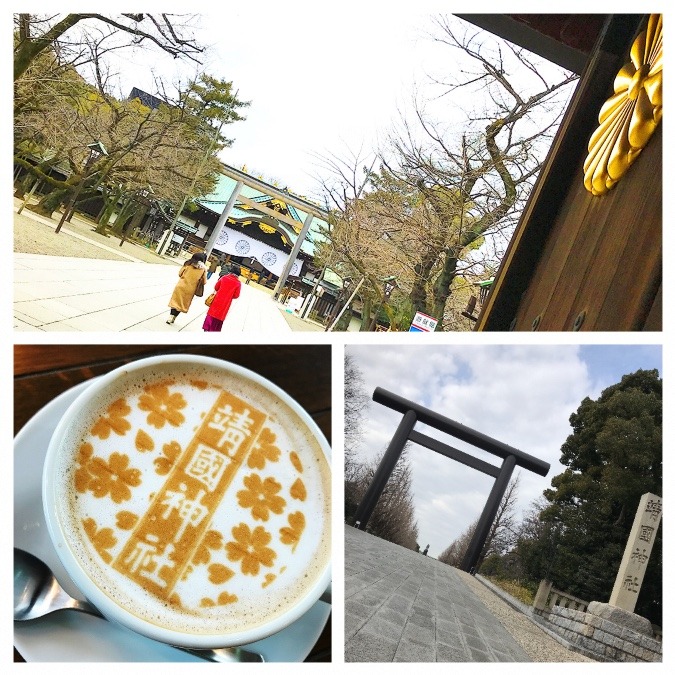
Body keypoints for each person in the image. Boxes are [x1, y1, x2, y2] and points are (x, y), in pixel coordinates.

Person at [166, 252, 207, 325]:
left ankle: (170, 317)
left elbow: (180, 273)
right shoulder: (203, 269)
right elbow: (204, 282)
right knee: (182, 304)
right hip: (190, 289)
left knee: (175, 301)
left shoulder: (188, 264)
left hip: (181, 286)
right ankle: (174, 317)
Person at [202, 263, 242, 332]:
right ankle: (213, 330)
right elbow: (236, 295)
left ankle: (207, 328)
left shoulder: (224, 277)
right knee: (219, 317)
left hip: (217, 300)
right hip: (226, 303)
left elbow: (216, 287)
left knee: (212, 313)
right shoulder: (238, 283)